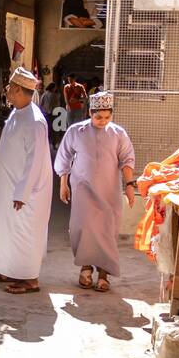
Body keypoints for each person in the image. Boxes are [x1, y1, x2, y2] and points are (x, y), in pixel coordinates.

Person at [53, 90, 137, 293]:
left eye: (107, 117)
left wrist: (129, 185)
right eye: (98, 117)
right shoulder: (76, 131)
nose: (102, 121)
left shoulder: (118, 133)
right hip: (82, 188)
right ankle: (86, 268)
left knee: (107, 230)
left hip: (109, 190)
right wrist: (63, 184)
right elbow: (64, 157)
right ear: (90, 113)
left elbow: (127, 159)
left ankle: (104, 274)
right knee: (83, 228)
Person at [0, 67, 54, 294]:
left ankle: (29, 279)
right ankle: (6, 268)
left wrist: (22, 193)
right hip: (11, 187)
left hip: (26, 191)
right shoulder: (18, 112)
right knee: (8, 228)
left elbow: (35, 162)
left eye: (9, 88)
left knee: (25, 231)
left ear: (17, 89)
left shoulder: (35, 121)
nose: (7, 91)